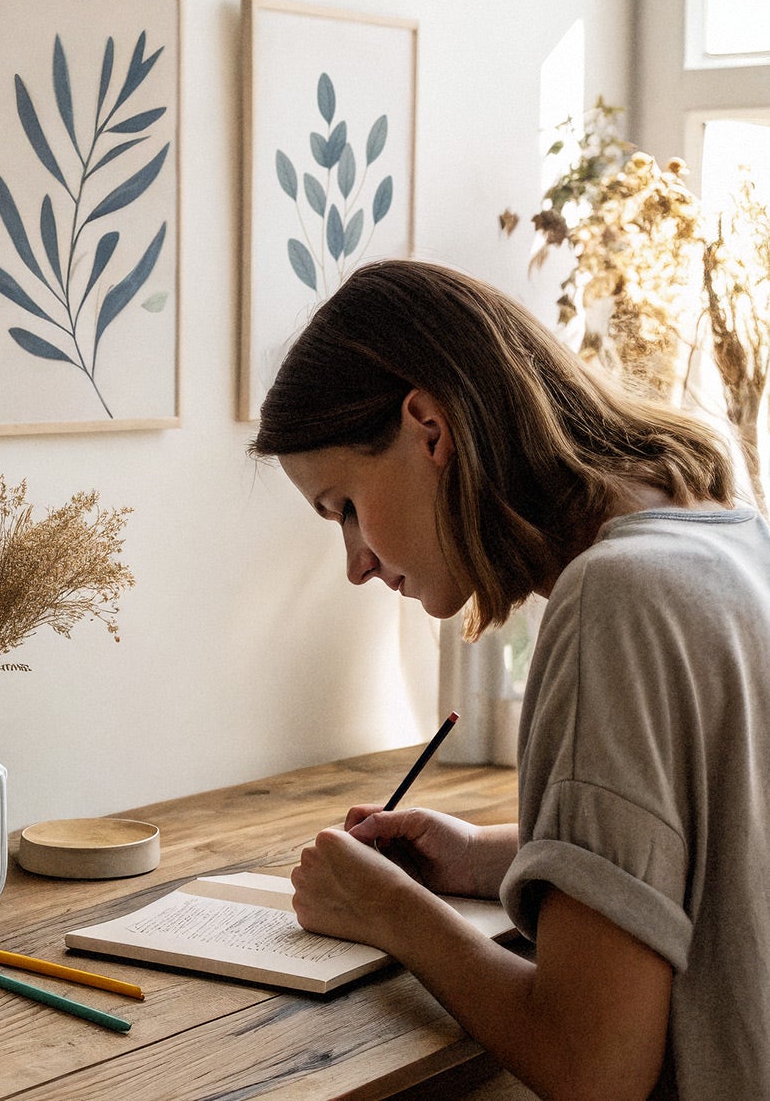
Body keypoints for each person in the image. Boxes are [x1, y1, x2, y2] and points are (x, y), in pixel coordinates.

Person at [253, 260, 767, 1100]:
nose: (354, 564)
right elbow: (720, 846)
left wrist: (391, 911)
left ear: (429, 429)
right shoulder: (724, 534)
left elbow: (593, 1067)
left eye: (344, 506)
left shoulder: (613, 599)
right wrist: (487, 854)